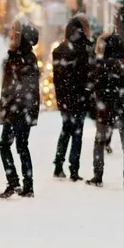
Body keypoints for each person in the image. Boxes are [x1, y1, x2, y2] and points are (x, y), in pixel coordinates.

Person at [88, 34, 124, 190]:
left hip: (106, 111)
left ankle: (98, 176)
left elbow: (97, 89)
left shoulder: (102, 65)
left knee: (99, 142)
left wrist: (102, 104)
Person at [0, 19, 41, 198]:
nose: (10, 36)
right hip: (19, 109)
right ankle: (24, 184)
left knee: (9, 145)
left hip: (19, 109)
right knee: (18, 145)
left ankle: (17, 182)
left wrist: (12, 105)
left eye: (13, 33)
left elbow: (22, 87)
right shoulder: (21, 56)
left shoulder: (23, 58)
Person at [51, 14, 92, 181]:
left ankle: (59, 164)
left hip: (66, 99)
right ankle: (73, 168)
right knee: (77, 133)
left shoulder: (60, 50)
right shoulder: (83, 50)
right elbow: (86, 76)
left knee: (66, 131)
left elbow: (58, 79)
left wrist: (61, 99)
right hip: (79, 98)